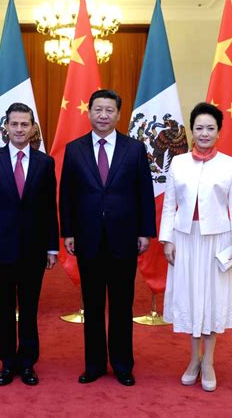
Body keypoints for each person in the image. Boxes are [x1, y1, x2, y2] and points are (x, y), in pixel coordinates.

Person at [59, 89, 156, 386]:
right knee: (92, 303)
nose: (103, 115)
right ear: (89, 112)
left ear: (118, 114)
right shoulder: (74, 149)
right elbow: (67, 194)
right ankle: (95, 364)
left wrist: (145, 231)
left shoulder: (134, 149)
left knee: (121, 304)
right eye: (98, 109)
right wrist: (69, 232)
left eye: (109, 110)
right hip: (87, 238)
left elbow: (144, 193)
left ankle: (123, 364)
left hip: (124, 238)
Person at [159, 102, 232, 392]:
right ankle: (193, 360)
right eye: (199, 128)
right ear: (191, 131)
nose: (205, 133)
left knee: (210, 300)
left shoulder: (230, 165)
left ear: (219, 131)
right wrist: (167, 239)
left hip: (217, 241)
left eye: (211, 128)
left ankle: (208, 362)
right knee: (191, 298)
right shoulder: (179, 163)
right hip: (185, 238)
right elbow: (170, 204)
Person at [0, 102, 59, 387]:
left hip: (34, 251)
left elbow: (49, 208)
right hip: (0, 250)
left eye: (25, 124)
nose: (20, 129)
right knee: (5, 309)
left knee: (30, 310)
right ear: (5, 127)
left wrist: (51, 247)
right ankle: (8, 363)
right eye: (14, 124)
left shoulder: (45, 163)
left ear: (33, 128)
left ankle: (28, 363)